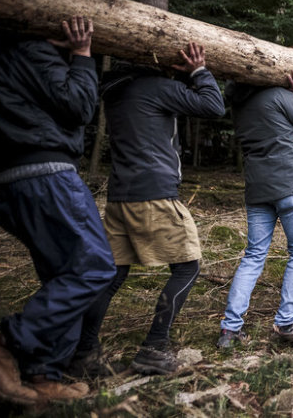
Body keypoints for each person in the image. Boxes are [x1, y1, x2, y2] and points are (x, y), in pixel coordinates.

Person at [73, 42, 225, 376]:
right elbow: (214, 105)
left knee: (113, 274)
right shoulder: (156, 88)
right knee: (187, 267)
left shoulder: (116, 91)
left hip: (120, 195)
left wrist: (180, 78)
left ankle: (83, 352)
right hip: (154, 194)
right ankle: (154, 349)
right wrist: (199, 71)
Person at [0, 16, 115, 403]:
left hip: (15, 179)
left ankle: (43, 374)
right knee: (94, 267)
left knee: (65, 275)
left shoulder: (2, 56)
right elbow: (79, 106)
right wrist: (82, 55)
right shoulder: (33, 51)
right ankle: (6, 344)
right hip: (46, 175)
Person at [217, 71, 293, 350]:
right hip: (289, 185)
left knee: (253, 256)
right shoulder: (278, 96)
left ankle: (230, 328)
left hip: (256, 189)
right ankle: (287, 321)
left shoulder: (239, 105)